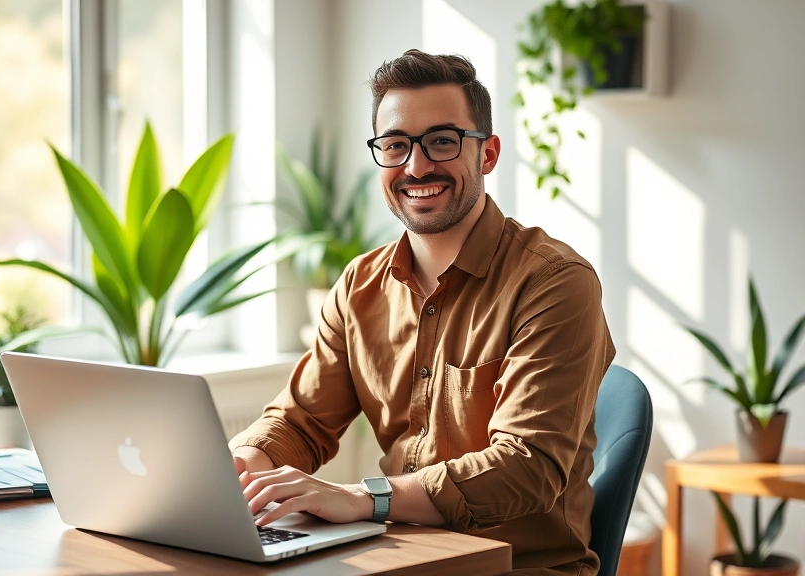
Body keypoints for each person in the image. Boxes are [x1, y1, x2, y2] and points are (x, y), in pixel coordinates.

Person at [229, 49, 615, 575]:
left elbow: (526, 467)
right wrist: (240, 468)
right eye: (395, 145)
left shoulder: (554, 282)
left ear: (488, 153)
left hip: (516, 568)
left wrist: (365, 499)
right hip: (398, 558)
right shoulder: (359, 285)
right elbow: (301, 421)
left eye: (441, 141)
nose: (416, 166)